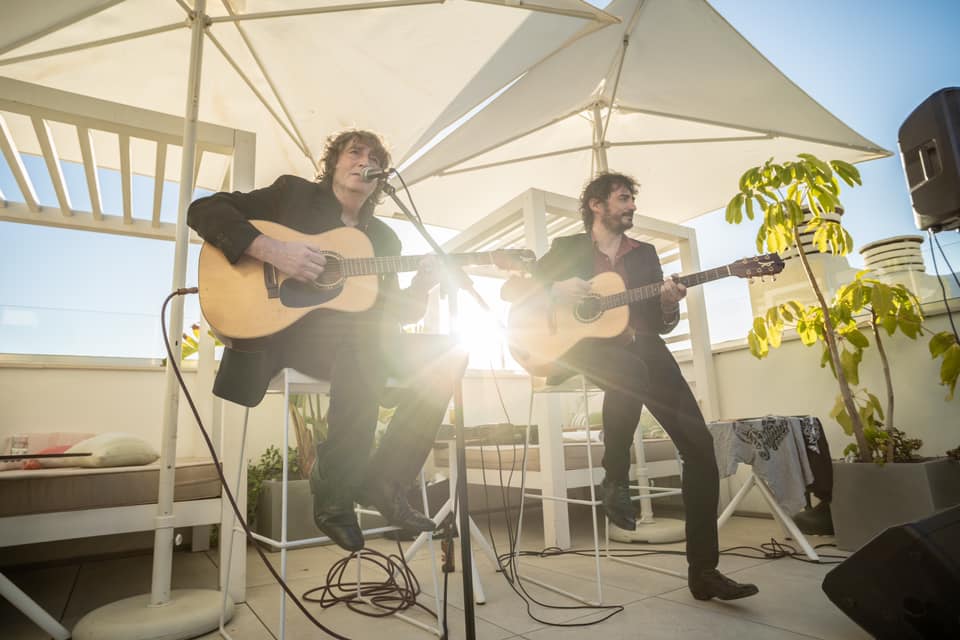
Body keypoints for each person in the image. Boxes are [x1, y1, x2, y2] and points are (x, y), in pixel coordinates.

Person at [188, 129, 466, 552]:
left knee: (448, 353)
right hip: (284, 333)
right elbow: (204, 209)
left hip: (357, 345)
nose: (363, 161)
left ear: (379, 178)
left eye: (373, 157)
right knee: (365, 339)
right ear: (333, 164)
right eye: (354, 152)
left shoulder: (385, 240)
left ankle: (386, 479)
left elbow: (391, 312)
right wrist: (271, 250)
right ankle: (335, 491)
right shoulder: (293, 196)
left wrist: (421, 289)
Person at [502, 172, 759, 601]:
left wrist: (666, 302)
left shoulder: (645, 255)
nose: (632, 206)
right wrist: (553, 287)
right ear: (597, 205)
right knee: (628, 370)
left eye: (632, 200)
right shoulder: (567, 249)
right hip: (583, 349)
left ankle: (704, 572)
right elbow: (514, 291)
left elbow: (659, 323)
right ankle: (616, 475)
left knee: (700, 450)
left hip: (644, 349)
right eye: (623, 199)